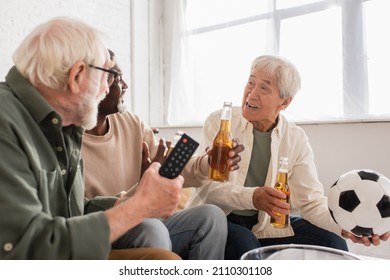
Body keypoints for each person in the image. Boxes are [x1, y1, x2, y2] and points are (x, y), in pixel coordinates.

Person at [0, 17, 182, 260]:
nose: (107, 88)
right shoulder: (6, 122)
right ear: (77, 75)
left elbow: (70, 212)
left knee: (162, 256)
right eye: (107, 74)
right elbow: (25, 250)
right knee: (164, 261)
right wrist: (140, 207)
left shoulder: (62, 124)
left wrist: (129, 203)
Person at [185, 54, 390, 259]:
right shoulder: (220, 122)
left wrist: (347, 227)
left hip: (266, 223)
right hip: (220, 218)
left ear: (284, 103)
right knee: (246, 244)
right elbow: (208, 190)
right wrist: (253, 197)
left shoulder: (296, 138)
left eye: (264, 88)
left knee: (333, 242)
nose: (252, 94)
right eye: (250, 83)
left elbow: (311, 202)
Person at [81, 49, 244, 259]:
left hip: (146, 216)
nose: (125, 86)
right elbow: (85, 211)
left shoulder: (132, 123)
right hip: (108, 228)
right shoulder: (69, 140)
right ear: (93, 85)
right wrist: (143, 189)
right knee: (152, 228)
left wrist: (209, 163)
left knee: (211, 216)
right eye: (116, 78)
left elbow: (171, 168)